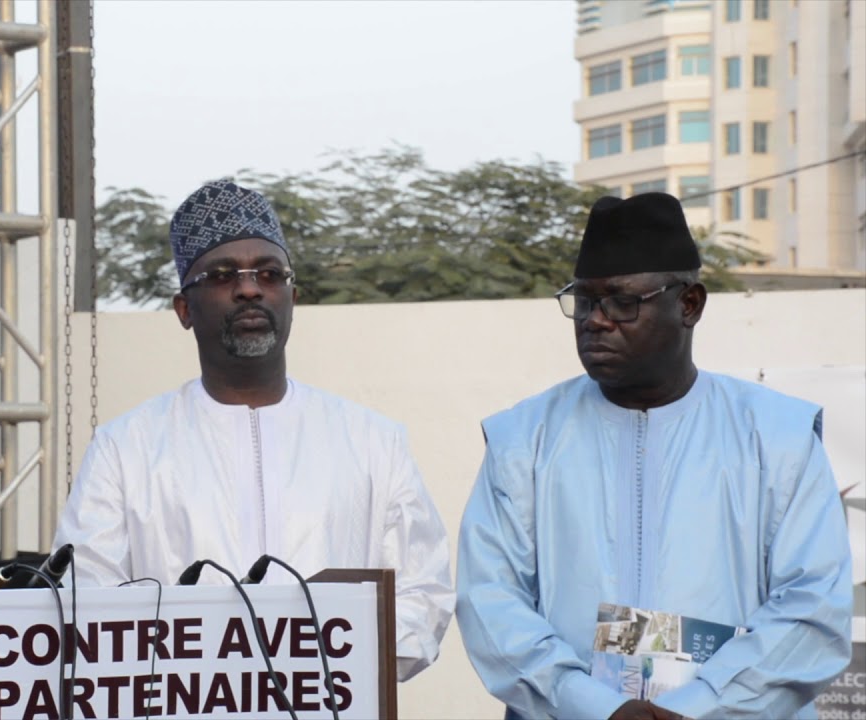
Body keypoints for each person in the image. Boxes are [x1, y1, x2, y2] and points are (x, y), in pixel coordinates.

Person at [456, 193, 852, 720]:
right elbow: (491, 601)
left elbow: (813, 608)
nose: (595, 321)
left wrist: (699, 706)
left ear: (688, 304)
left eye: (622, 302)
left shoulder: (777, 436)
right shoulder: (524, 440)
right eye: (584, 300)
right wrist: (597, 708)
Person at [52, 179, 455, 681]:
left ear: (292, 297)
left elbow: (423, 595)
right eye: (222, 275)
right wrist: (212, 668)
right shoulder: (125, 449)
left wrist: (320, 663)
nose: (249, 288)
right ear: (183, 309)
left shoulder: (372, 442)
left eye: (269, 272)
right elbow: (85, 603)